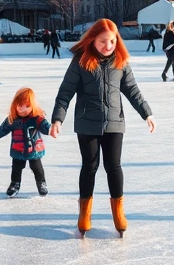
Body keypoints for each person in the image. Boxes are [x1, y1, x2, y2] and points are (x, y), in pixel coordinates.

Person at [51, 18, 155, 238]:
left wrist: (147, 112)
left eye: (112, 41)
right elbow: (65, 92)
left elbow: (132, 91)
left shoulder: (121, 62)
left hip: (115, 122)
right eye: (102, 41)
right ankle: (84, 213)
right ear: (92, 40)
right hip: (87, 122)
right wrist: (57, 119)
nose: (108, 46)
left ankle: (118, 212)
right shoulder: (81, 61)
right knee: (89, 166)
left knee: (113, 166)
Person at [0, 87, 53, 197]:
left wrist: (51, 130)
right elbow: (3, 128)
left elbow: (45, 126)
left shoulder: (36, 118)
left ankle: (41, 183)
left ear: (32, 106)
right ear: (15, 105)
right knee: (16, 168)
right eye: (20, 105)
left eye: (27, 106)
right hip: (18, 149)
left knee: (37, 168)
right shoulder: (13, 119)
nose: (23, 109)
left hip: (34, 149)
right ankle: (15, 184)